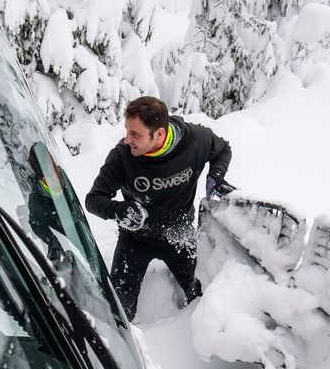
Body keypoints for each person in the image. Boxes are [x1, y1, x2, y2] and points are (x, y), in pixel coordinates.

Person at [85, 96, 232, 321]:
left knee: (202, 298)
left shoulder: (195, 141)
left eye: (136, 134)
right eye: (127, 131)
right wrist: (119, 209)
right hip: (136, 239)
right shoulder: (122, 156)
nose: (127, 139)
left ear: (160, 134)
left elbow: (223, 149)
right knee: (119, 314)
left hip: (179, 235)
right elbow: (94, 199)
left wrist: (216, 176)